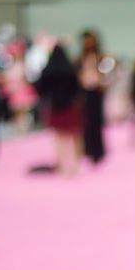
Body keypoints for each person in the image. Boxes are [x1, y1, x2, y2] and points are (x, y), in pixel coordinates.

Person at [35, 42, 82, 175]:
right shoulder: (70, 69)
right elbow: (77, 89)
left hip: (55, 106)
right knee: (73, 136)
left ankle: (61, 165)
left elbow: (40, 88)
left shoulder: (48, 70)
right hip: (70, 106)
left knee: (59, 137)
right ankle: (74, 165)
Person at [76, 30, 106, 163]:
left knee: (97, 122)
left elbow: (109, 75)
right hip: (84, 93)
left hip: (97, 92)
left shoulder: (101, 57)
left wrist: (102, 82)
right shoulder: (79, 59)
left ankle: (98, 151)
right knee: (85, 122)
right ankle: (87, 150)